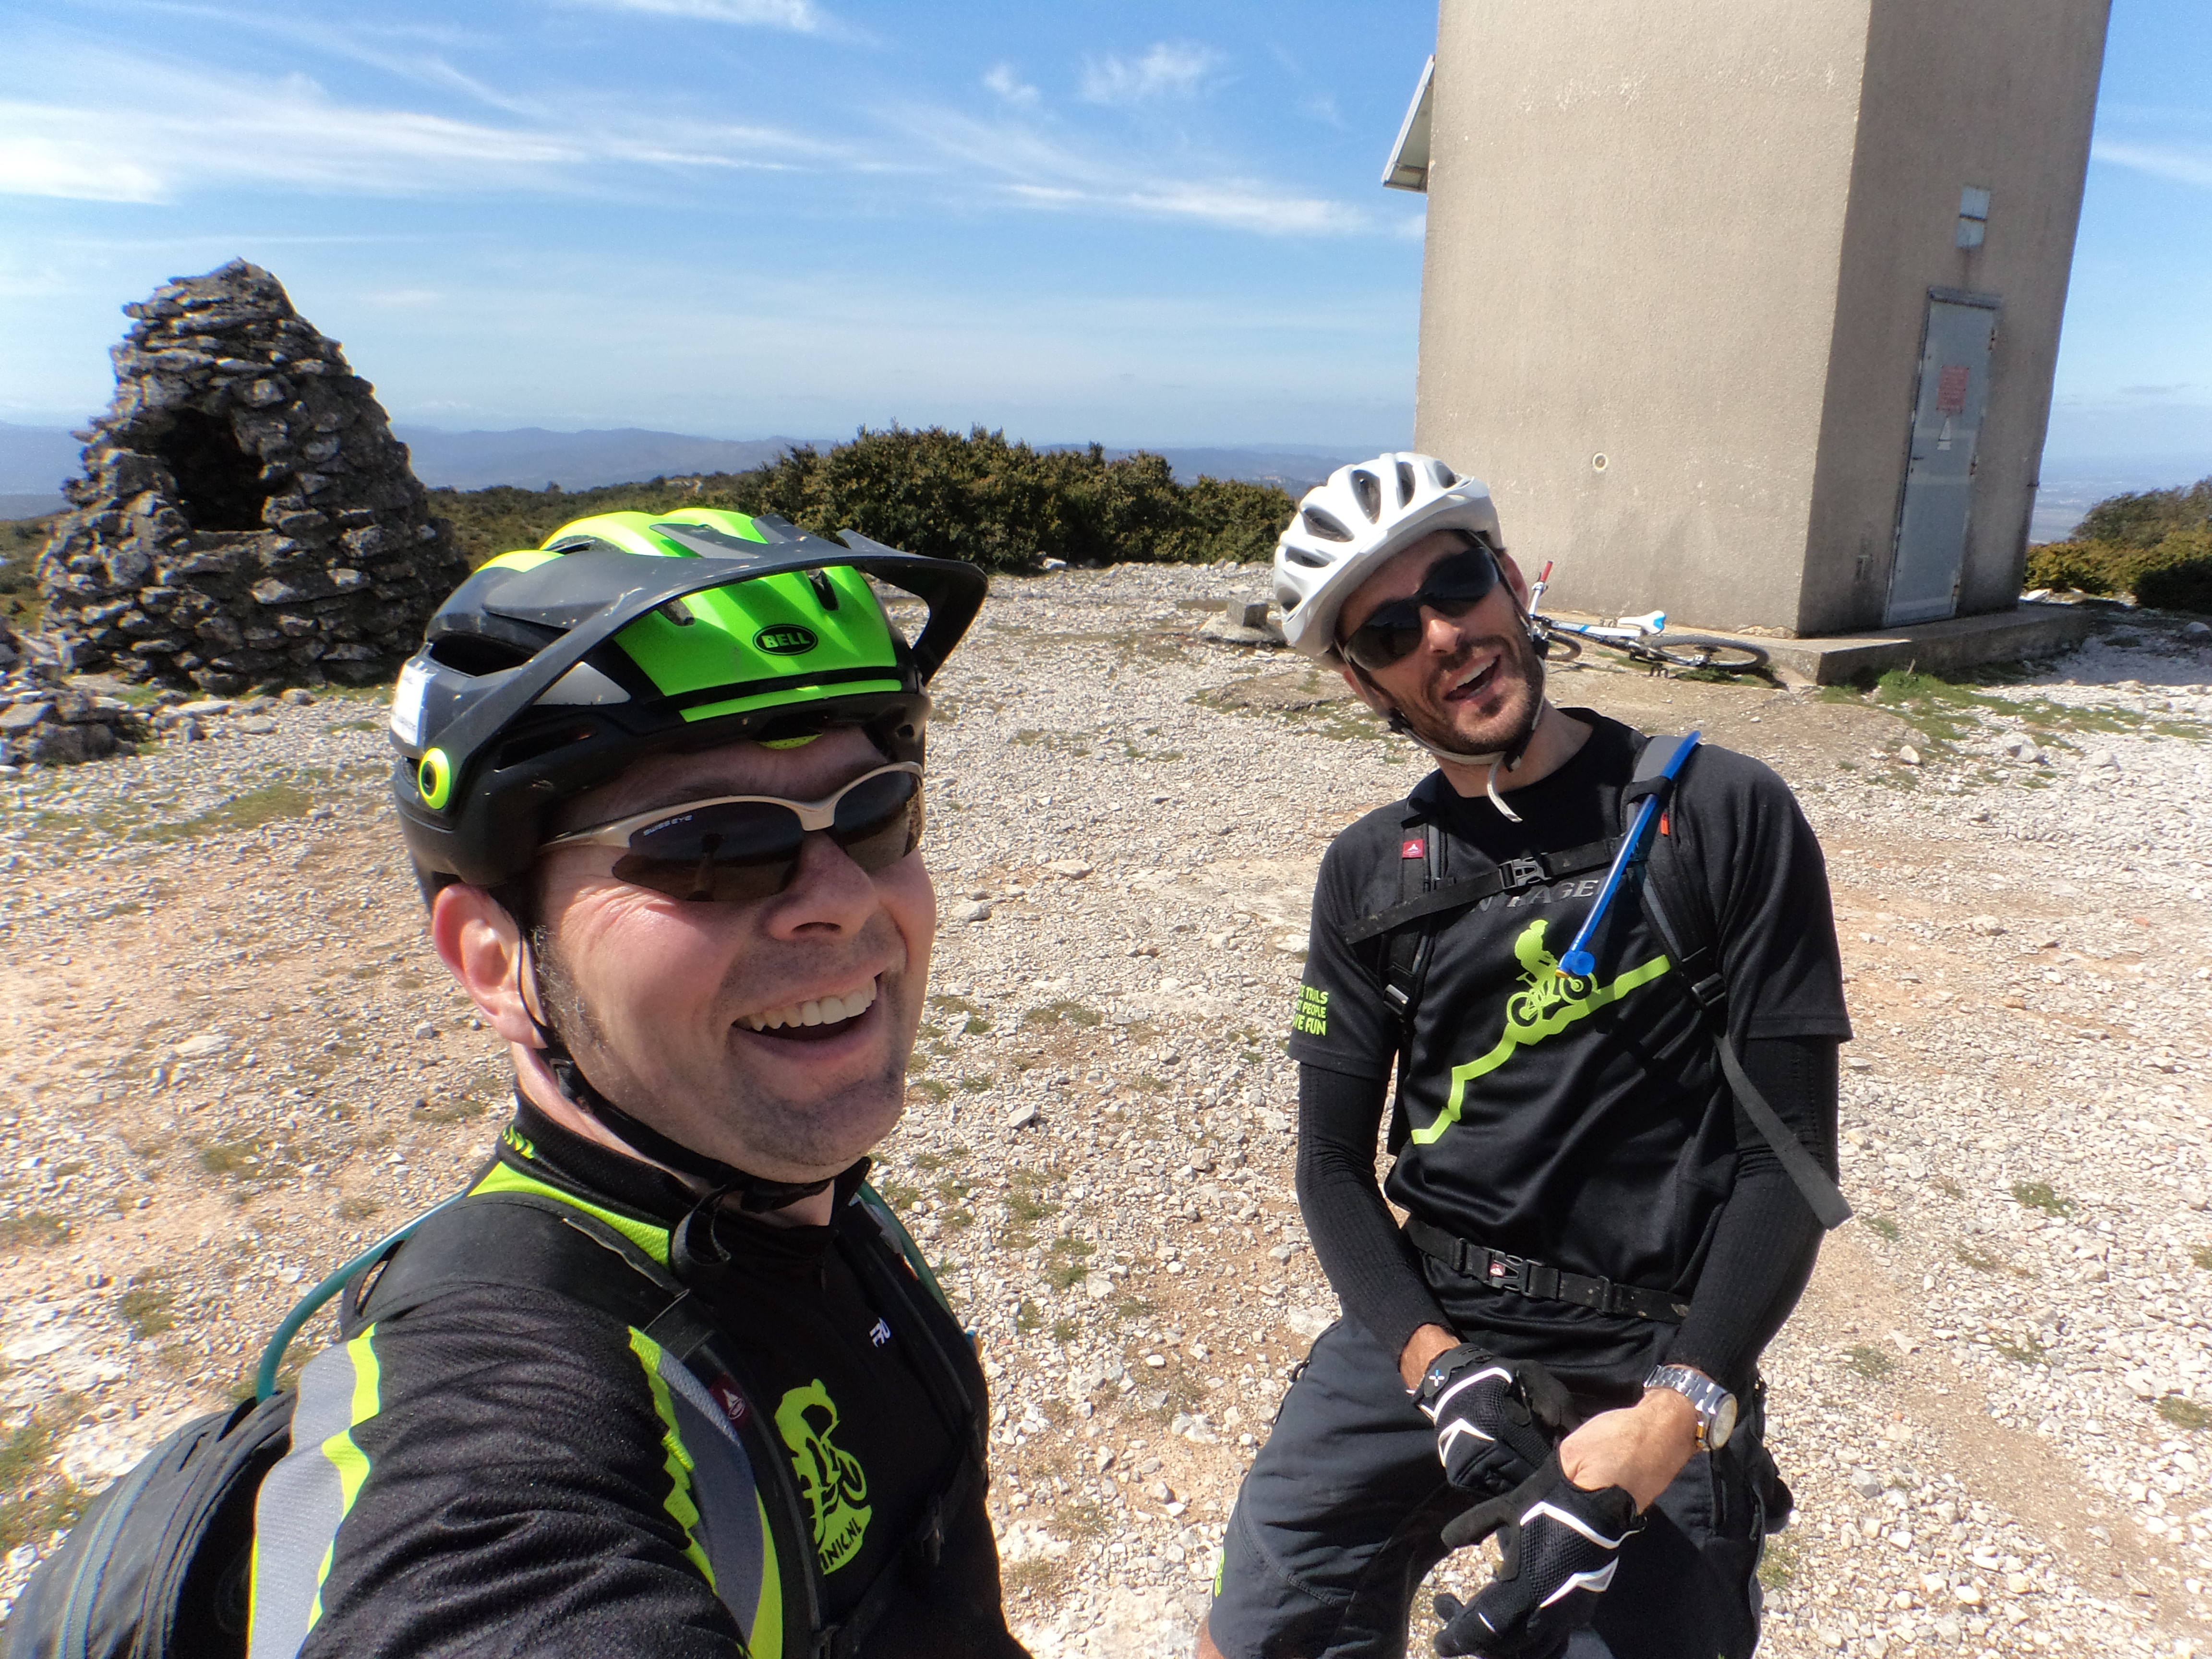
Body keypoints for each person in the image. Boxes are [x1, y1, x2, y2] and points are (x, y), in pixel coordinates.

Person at [245, 508, 1027, 1659]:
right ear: (495, 960)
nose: (841, 898)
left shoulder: (793, 1202)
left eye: (876, 815)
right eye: (712, 846)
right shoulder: (490, 1403)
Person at [1199, 455, 1850, 1659]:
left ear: (1509, 578)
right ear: (1361, 681)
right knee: (1255, 1634)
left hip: (1652, 1349)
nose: (1444, 636)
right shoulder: (1370, 874)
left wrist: (1672, 1416)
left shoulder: (1720, 813)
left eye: (1456, 585)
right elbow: (1331, 1166)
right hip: (1435, 1322)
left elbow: (1790, 1161)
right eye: (1391, 632)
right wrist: (1433, 1364)